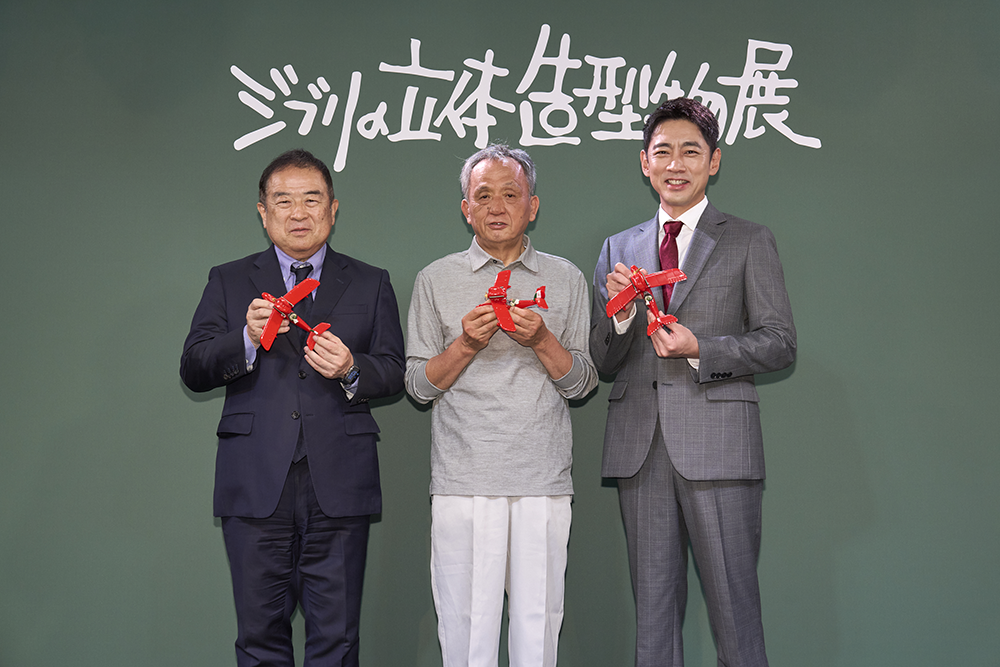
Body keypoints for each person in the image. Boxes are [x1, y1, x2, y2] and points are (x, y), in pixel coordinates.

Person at [589, 98, 796, 667]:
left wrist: (701, 348)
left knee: (735, 613)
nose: (675, 164)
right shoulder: (618, 248)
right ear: (644, 162)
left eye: (690, 151)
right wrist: (621, 318)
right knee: (653, 620)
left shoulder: (749, 239)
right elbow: (602, 358)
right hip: (641, 448)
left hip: (720, 446)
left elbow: (780, 342)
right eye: (663, 152)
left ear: (714, 161)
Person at [180, 148, 405, 667]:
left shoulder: (370, 281)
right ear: (264, 213)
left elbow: (394, 369)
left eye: (312, 199)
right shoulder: (229, 279)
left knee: (337, 640)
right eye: (283, 201)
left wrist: (351, 368)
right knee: (259, 639)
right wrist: (245, 338)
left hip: (340, 483)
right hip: (255, 481)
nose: (298, 213)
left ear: (333, 209)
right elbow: (193, 366)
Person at [405, 143, 598, 667]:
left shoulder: (565, 278)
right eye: (483, 195)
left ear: (532, 206)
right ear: (465, 208)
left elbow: (582, 384)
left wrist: (542, 340)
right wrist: (466, 344)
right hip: (463, 481)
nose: (496, 207)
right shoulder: (435, 279)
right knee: (465, 631)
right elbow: (418, 386)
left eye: (511, 195)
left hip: (542, 480)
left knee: (538, 627)